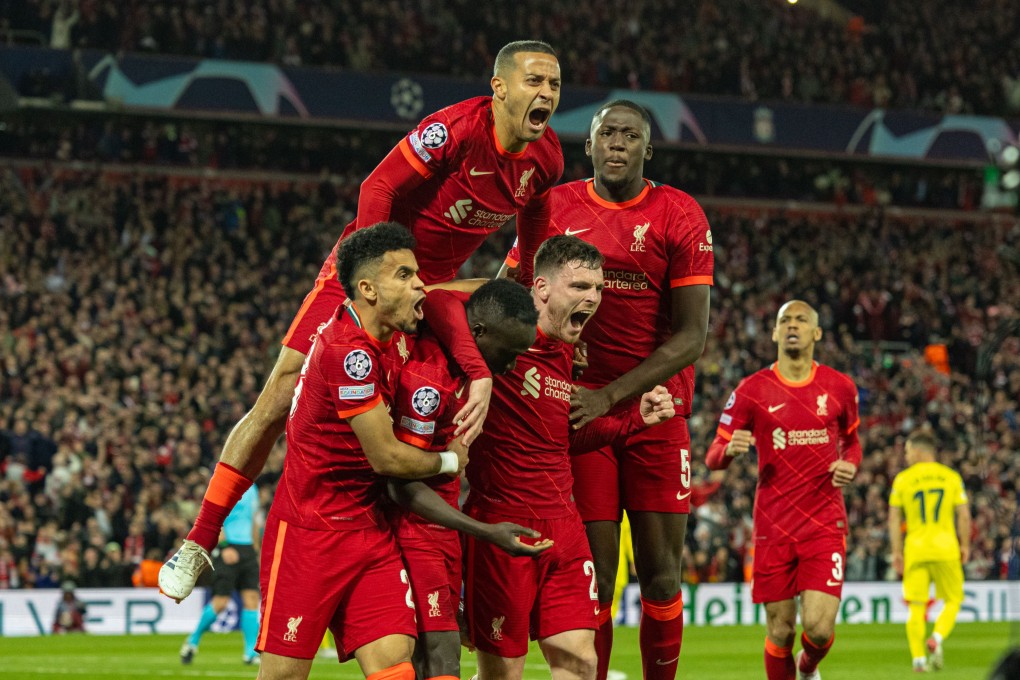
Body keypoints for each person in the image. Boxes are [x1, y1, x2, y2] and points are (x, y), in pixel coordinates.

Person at [159, 39, 564, 602]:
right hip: (368, 272)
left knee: (451, 398)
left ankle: (447, 571)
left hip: (434, 284)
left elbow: (536, 225)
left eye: (554, 85)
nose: (545, 93)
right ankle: (200, 539)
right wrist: (369, 283)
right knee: (279, 395)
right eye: (534, 82)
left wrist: (515, 289)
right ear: (499, 88)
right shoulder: (452, 131)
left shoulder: (546, 160)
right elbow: (376, 187)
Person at [251, 223, 541, 680]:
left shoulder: (398, 334)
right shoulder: (348, 352)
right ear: (368, 289)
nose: (420, 285)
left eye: (418, 274)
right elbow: (387, 459)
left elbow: (479, 292)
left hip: (370, 528)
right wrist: (451, 461)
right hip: (312, 531)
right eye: (404, 276)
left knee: (394, 659)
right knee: (283, 675)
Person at [503, 100, 713, 680]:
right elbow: (510, 295)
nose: (617, 142)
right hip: (577, 412)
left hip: (654, 412)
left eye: (630, 135)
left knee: (663, 575)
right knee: (594, 570)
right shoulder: (555, 207)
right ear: (589, 145)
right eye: (606, 133)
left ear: (648, 149)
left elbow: (692, 336)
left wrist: (612, 395)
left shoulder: (679, 213)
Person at [432, 235, 676, 680]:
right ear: (541, 289)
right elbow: (436, 298)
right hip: (505, 526)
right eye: (580, 286)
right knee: (503, 673)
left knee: (581, 661)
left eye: (598, 288)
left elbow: (559, 438)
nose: (594, 298)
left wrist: (632, 420)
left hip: (565, 526)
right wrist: (480, 370)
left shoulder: (565, 351)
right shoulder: (495, 341)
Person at [386, 278, 540, 680]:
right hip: (418, 533)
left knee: (439, 652)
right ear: (478, 334)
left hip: (442, 531)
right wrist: (484, 532)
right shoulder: (429, 380)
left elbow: (450, 295)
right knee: (440, 654)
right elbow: (401, 483)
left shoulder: (458, 369)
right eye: (509, 353)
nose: (509, 366)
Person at [706, 299, 862, 680]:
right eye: (784, 320)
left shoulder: (840, 387)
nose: (793, 325)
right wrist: (728, 452)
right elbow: (712, 456)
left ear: (817, 332)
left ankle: (807, 668)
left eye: (801, 319)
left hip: (824, 523)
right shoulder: (751, 390)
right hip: (774, 524)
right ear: (775, 332)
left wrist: (850, 465)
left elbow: (853, 443)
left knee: (819, 628)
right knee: (780, 630)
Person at [888, 429, 971, 673]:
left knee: (916, 606)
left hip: (915, 549)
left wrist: (896, 551)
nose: (906, 455)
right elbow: (964, 515)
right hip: (946, 548)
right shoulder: (951, 477)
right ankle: (937, 636)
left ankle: (918, 659)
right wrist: (965, 544)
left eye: (907, 450)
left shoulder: (903, 479)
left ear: (918, 450)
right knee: (954, 600)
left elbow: (894, 519)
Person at [180, 484, 262, 666]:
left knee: (251, 598)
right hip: (228, 546)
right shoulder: (226, 483)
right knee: (221, 602)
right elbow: (214, 517)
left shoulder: (253, 488)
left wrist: (255, 549)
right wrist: (223, 546)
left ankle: (250, 653)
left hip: (247, 549)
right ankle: (192, 641)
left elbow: (254, 520)